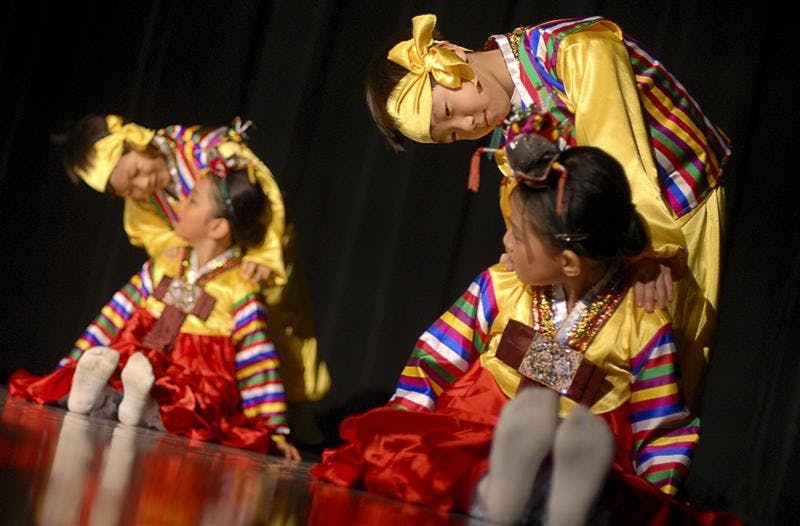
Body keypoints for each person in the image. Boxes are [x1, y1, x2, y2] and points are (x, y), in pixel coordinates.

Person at [311, 113, 740, 524]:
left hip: (580, 443)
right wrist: (402, 421)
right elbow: (435, 360)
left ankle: (560, 500)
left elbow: (659, 422)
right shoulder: (500, 287)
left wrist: (656, 493)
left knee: (608, 483)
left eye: (517, 233)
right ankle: (503, 493)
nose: (504, 241)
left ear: (569, 262)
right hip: (480, 427)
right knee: (447, 457)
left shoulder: (642, 323)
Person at [366, 14, 732, 410]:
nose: (469, 124)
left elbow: (619, 159)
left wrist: (649, 251)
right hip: (597, 250)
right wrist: (526, 253)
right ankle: (509, 426)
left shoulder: (573, 51)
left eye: (451, 107)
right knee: (544, 344)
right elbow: (528, 199)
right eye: (453, 133)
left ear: (451, 55)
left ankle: (637, 460)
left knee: (656, 363)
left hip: (666, 218)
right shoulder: (512, 133)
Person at [55, 114, 330, 442]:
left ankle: (286, 416)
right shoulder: (144, 196)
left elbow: (265, 194)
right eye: (129, 189)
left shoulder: (203, 150)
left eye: (138, 172)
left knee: (271, 336)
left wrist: (262, 254)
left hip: (255, 255)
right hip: (198, 265)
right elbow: (147, 235)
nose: (142, 187)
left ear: (135, 141)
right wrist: (172, 247)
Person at [10, 161, 301, 460]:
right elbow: (117, 312)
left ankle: (142, 405)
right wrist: (77, 358)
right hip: (144, 354)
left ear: (217, 226)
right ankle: (91, 391)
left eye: (192, 200)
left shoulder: (239, 286)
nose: (180, 204)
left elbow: (256, 357)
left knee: (184, 401)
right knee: (120, 365)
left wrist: (272, 427)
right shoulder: (166, 263)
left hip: (195, 374)